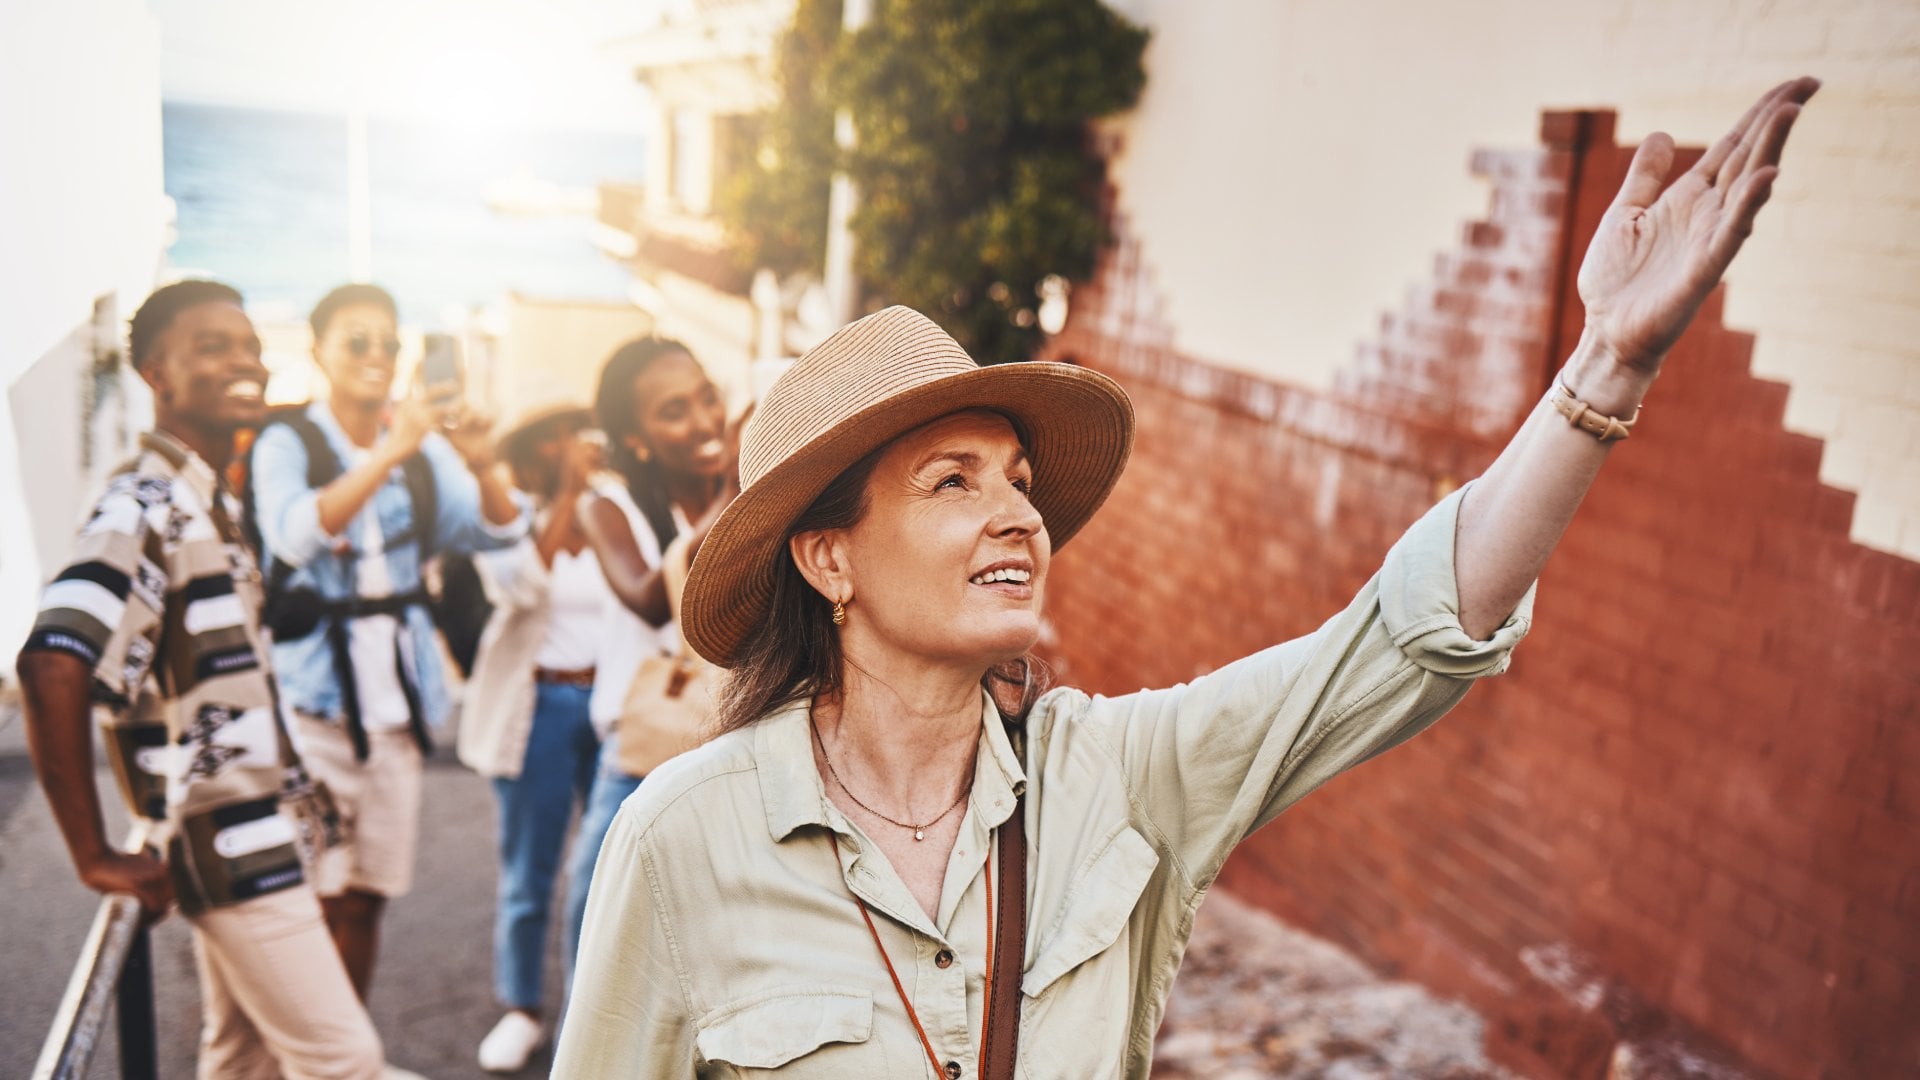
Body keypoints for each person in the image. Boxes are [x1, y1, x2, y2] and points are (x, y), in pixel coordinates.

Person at [552, 79, 1820, 1077]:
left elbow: (1398, 643)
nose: (1017, 516)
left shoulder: (1120, 780)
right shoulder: (684, 840)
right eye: (953, 482)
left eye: (1020, 483)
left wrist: (1603, 367)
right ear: (828, 557)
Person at [14, 280, 401, 1079]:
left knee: (241, 1059)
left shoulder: (206, 500)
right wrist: (93, 854)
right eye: (213, 347)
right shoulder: (145, 501)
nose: (245, 363)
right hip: (233, 849)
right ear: (157, 373)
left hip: (257, 837)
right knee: (345, 1057)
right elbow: (54, 657)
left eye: (252, 346)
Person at [249, 283, 526, 1000]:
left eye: (389, 343)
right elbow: (297, 533)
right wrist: (391, 449)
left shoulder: (423, 456)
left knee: (369, 893)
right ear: (319, 353)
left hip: (397, 710)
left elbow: (496, 530)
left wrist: (485, 459)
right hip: (314, 706)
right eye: (358, 342)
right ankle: (317, 1058)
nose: (377, 356)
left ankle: (346, 1058)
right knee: (313, 900)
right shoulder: (291, 443)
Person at [456, 402, 663, 1072]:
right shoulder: (509, 514)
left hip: (610, 702)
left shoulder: (619, 509)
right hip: (540, 702)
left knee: (604, 864)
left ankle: (592, 1012)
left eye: (576, 433)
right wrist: (571, 493)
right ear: (534, 450)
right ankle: (521, 1006)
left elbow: (650, 593)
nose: (571, 445)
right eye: (555, 438)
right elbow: (523, 586)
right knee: (530, 869)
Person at [557, 337, 737, 956]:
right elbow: (651, 596)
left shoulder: (754, 496)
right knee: (598, 926)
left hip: (735, 740)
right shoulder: (608, 507)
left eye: (706, 397)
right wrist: (737, 484)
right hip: (642, 751)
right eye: (673, 411)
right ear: (635, 439)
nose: (704, 421)